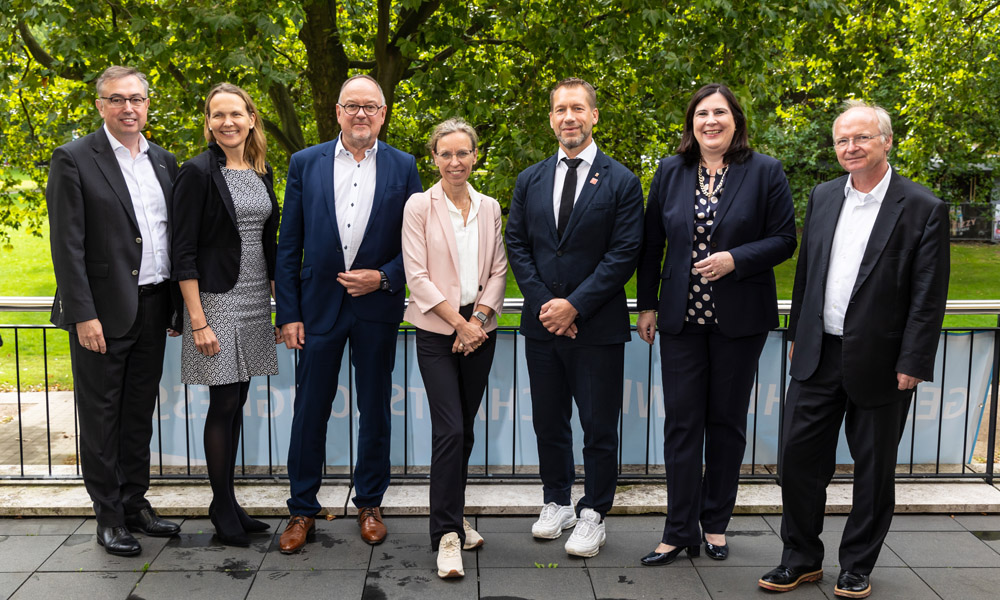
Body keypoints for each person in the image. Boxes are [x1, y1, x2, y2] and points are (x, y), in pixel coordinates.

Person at [758, 101, 949, 598]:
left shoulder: (923, 207)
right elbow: (807, 275)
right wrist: (799, 329)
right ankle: (799, 559)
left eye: (862, 138)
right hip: (817, 354)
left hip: (883, 363)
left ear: (887, 141)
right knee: (797, 460)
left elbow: (929, 295)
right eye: (843, 140)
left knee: (873, 469)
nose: (851, 148)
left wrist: (914, 360)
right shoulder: (823, 197)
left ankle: (856, 565)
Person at [635, 83, 797, 566]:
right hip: (682, 321)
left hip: (738, 322)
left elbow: (785, 239)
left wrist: (735, 259)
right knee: (682, 426)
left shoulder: (764, 171)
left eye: (720, 113)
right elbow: (651, 244)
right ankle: (677, 530)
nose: (711, 121)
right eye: (702, 114)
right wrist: (647, 305)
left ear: (735, 120)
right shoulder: (670, 171)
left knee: (726, 425)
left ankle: (715, 525)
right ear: (692, 123)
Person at [274, 74, 422, 553]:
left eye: (371, 106)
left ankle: (370, 503)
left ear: (383, 113)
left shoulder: (404, 166)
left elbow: (417, 245)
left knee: (375, 409)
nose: (362, 114)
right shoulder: (304, 163)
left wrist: (382, 278)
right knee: (309, 411)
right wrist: (288, 313)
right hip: (317, 310)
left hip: (376, 308)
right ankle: (301, 509)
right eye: (352, 105)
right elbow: (288, 243)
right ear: (337, 112)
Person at [505, 77, 643, 558]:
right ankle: (557, 501)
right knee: (549, 421)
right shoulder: (530, 179)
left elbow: (624, 253)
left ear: (594, 115)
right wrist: (549, 306)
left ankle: (594, 512)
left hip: (597, 328)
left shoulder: (622, 180)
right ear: (551, 118)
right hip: (543, 327)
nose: (569, 117)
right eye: (561, 109)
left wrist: (575, 306)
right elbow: (518, 245)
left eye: (578, 108)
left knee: (599, 425)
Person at [47, 65, 181, 556]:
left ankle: (134, 503)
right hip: (101, 315)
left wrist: (175, 310)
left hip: (151, 307)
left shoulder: (164, 161)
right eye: (118, 99)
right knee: (101, 417)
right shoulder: (75, 159)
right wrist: (83, 315)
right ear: (100, 105)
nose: (129, 107)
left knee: (137, 414)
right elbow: (67, 246)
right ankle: (107, 516)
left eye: (137, 99)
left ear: (148, 104)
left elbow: (169, 240)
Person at [171, 83, 281, 546]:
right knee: (223, 404)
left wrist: (281, 304)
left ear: (251, 118)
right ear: (209, 123)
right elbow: (183, 251)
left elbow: (266, 241)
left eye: (235, 114)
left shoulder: (262, 171)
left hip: (255, 300)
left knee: (238, 404)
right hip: (215, 302)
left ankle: (229, 501)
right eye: (218, 115)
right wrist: (197, 318)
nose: (227, 122)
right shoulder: (196, 173)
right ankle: (221, 507)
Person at [401, 118, 508, 578]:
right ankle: (446, 536)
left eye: (463, 153)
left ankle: (453, 514)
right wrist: (459, 325)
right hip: (437, 330)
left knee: (463, 428)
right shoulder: (418, 206)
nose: (455, 161)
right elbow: (417, 276)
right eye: (446, 154)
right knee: (449, 430)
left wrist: (479, 322)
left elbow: (500, 270)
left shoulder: (489, 207)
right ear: (434, 158)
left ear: (475, 156)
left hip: (479, 332)